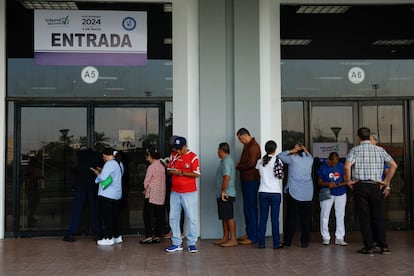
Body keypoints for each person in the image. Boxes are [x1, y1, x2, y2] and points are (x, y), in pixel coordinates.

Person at [345, 127, 398, 255]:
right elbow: (394, 165)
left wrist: (348, 181)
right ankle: (383, 246)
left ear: (358, 137)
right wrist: (386, 181)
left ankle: (369, 247)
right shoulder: (380, 150)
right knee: (378, 216)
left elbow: (347, 166)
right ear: (369, 137)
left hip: (361, 185)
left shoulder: (355, 150)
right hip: (376, 186)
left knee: (364, 217)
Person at [165, 136, 201, 253]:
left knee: (192, 217)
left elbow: (196, 174)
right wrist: (170, 170)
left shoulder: (193, 157)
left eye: (180, 149)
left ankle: (191, 243)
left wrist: (181, 172)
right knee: (173, 217)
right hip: (175, 191)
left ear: (186, 146)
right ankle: (176, 243)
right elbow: (169, 169)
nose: (179, 151)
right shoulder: (174, 155)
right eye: (177, 149)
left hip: (189, 192)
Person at [277, 144, 314, 248]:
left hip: (295, 193)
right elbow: (309, 155)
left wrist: (292, 150)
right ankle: (304, 242)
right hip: (308, 194)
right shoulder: (309, 160)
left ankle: (288, 241)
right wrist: (304, 149)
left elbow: (280, 156)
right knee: (305, 220)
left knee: (291, 219)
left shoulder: (292, 159)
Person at [64, 147, 103, 242]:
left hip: (80, 185)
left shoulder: (79, 157)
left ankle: (71, 233)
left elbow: (73, 169)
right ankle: (97, 232)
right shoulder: (97, 156)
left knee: (77, 210)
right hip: (92, 185)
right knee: (94, 210)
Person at [92, 147, 124, 246]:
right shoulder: (119, 163)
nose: (103, 158)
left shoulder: (109, 164)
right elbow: (118, 174)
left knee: (107, 217)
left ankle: (108, 238)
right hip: (116, 194)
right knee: (115, 216)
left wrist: (98, 173)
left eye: (103, 156)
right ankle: (117, 236)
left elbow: (103, 177)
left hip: (107, 194)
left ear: (106, 155)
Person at [256, 140, 283, 249]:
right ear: (275, 149)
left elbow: (260, 175)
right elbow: (281, 176)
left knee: (263, 218)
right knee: (274, 219)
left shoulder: (260, 161)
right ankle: (276, 243)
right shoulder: (278, 161)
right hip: (275, 192)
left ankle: (261, 243)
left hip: (263, 191)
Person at [236, 128, 261, 245]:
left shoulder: (253, 146)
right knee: (247, 207)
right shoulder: (248, 146)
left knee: (251, 207)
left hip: (251, 180)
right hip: (246, 179)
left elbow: (251, 163)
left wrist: (239, 166)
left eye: (241, 139)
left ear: (245, 135)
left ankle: (253, 236)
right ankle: (249, 232)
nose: (241, 141)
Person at [317, 151, 348, 246]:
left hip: (340, 193)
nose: (333, 164)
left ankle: (339, 237)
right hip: (327, 193)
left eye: (335, 162)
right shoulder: (323, 166)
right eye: (332, 163)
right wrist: (328, 184)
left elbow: (347, 180)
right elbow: (319, 181)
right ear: (329, 159)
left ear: (338, 160)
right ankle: (325, 237)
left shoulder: (341, 166)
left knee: (340, 215)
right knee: (324, 215)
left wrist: (338, 184)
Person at [140, 148, 166, 244]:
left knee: (147, 215)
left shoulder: (151, 167)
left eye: (147, 156)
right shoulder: (162, 166)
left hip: (151, 194)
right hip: (160, 194)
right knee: (158, 215)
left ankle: (149, 236)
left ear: (150, 156)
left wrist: (144, 190)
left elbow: (146, 181)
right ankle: (158, 235)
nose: (146, 158)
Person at [214, 142, 238, 247]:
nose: (217, 152)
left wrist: (223, 191)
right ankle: (225, 237)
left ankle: (233, 239)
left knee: (229, 217)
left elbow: (226, 177)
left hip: (227, 194)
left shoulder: (227, 161)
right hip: (222, 194)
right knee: (224, 216)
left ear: (221, 150)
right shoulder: (224, 161)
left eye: (218, 150)